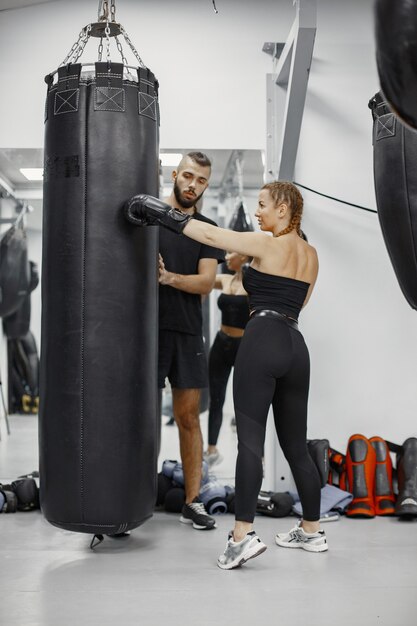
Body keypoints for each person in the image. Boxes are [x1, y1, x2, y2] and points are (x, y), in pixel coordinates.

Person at [125, 180, 328, 567]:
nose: (258, 211)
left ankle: (241, 536)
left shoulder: (267, 243)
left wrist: (159, 212)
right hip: (295, 346)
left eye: (263, 204)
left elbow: (209, 233)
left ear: (284, 209)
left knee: (250, 442)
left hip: (262, 339)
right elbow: (302, 300)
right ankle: (313, 530)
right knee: (295, 445)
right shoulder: (312, 254)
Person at [156, 151, 224, 531]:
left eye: (200, 180)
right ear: (174, 174)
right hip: (145, 332)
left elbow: (205, 284)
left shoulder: (206, 228)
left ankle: (193, 501)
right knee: (138, 417)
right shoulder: (150, 217)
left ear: (206, 186)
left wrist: (170, 279)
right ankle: (131, 493)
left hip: (186, 331)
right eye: (187, 176)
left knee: (188, 418)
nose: (192, 185)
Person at [204, 251, 250, 467]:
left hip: (244, 347)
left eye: (232, 252)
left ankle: (250, 453)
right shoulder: (225, 280)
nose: (227, 256)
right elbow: (200, 279)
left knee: (245, 403)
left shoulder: (254, 286)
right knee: (216, 399)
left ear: (245, 257)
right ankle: (211, 449)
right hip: (221, 344)